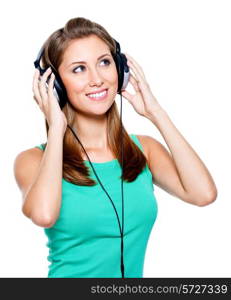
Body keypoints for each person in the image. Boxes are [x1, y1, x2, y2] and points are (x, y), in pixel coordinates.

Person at [13, 17, 217, 278]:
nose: (97, 79)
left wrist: (155, 112)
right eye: (79, 69)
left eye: (104, 62)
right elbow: (43, 215)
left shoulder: (144, 149)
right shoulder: (33, 160)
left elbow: (203, 194)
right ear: (57, 87)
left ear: (120, 70)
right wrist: (56, 129)